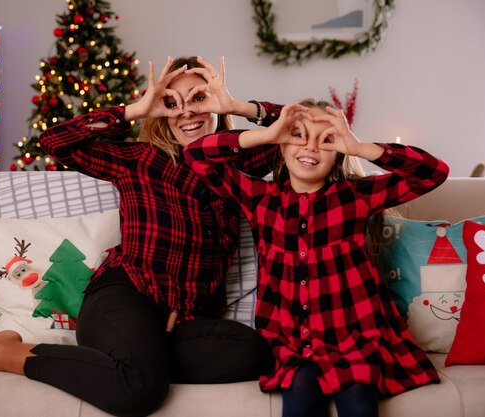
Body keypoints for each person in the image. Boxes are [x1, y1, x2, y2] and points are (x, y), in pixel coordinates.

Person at [0, 56, 282, 417]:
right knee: (139, 391)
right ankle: (6, 353)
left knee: (253, 350)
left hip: (186, 322)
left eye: (198, 98)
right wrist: (135, 109)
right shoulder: (142, 158)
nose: (186, 113)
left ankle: (137, 358)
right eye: (171, 101)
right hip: (124, 296)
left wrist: (238, 106)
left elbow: (300, 132)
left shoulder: (238, 159)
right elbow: (56, 141)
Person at [184, 99, 450, 417]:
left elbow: (434, 173)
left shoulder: (356, 196)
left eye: (325, 140)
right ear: (281, 146)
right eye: (298, 135)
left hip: (355, 336)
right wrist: (267, 135)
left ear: (338, 153)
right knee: (299, 402)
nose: (310, 147)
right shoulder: (259, 199)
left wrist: (359, 147)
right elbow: (196, 155)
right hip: (291, 341)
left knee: (359, 403)